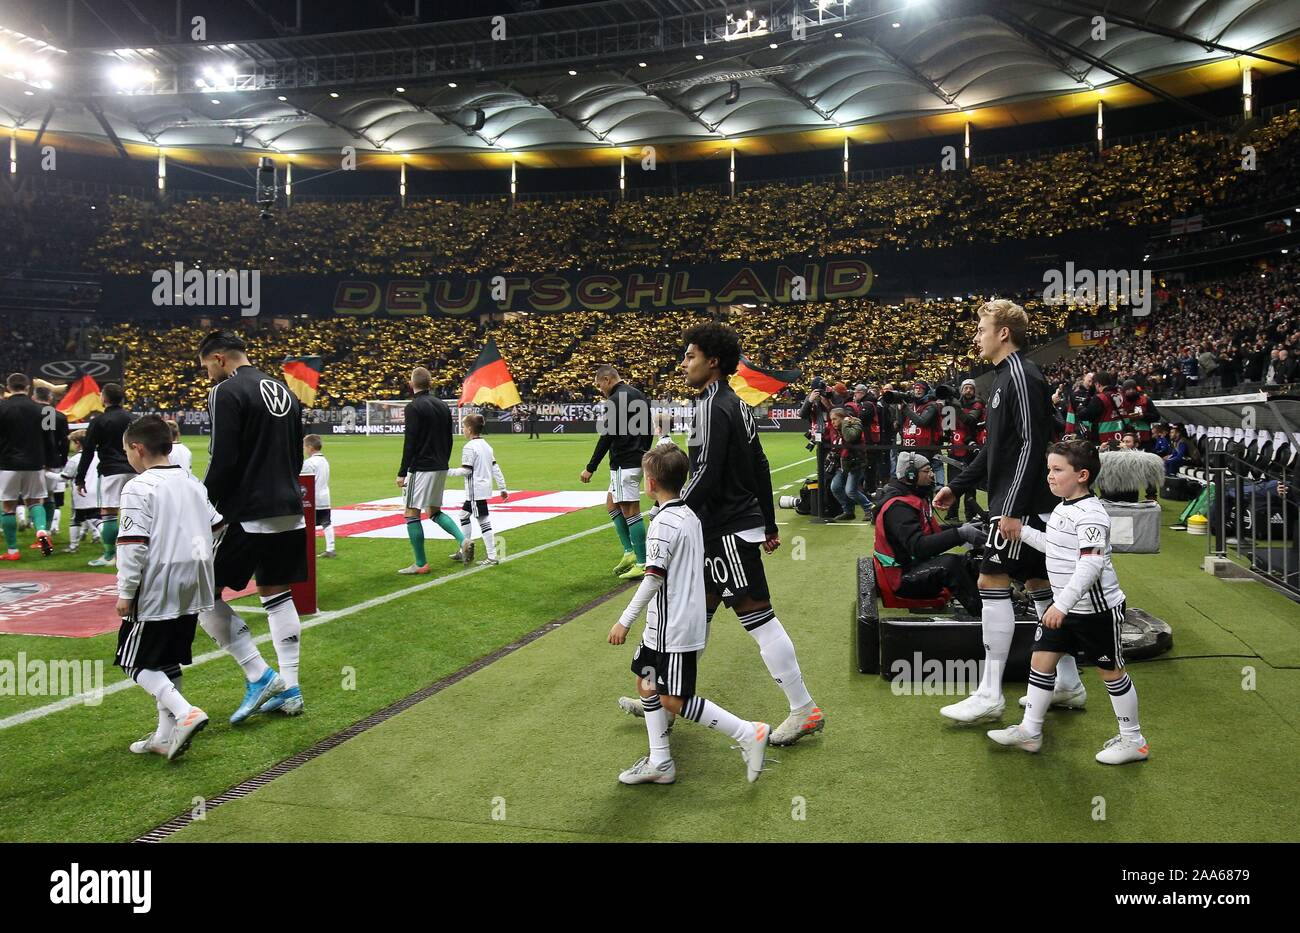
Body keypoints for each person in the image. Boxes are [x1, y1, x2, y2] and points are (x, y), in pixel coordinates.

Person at [934, 300, 1086, 723]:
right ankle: (1069, 683)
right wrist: (956, 486)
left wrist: (1011, 508)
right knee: (1039, 584)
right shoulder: (1007, 377)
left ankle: (989, 693)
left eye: (982, 328)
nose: (977, 336)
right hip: (1030, 504)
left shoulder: (1020, 373)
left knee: (990, 579)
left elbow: (1032, 446)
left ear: (1003, 332)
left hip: (1024, 507)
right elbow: (996, 449)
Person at [678, 322, 824, 746]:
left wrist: (675, 510)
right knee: (694, 617)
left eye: (691, 356)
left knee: (758, 619)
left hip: (724, 527)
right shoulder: (738, 405)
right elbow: (760, 466)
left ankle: (804, 708)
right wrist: (770, 523)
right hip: (727, 526)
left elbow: (706, 470)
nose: (684, 364)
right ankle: (668, 697)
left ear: (713, 361)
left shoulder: (710, 407)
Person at [608, 442, 770, 784]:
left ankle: (747, 733)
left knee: (674, 699)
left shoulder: (665, 523)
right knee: (647, 683)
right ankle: (661, 762)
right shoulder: (687, 514)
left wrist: (624, 620)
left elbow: (652, 578)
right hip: (666, 624)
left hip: (674, 627)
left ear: (650, 484)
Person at [987, 441, 1150, 764]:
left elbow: (1090, 565)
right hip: (1065, 607)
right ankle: (1030, 732)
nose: (1049, 476)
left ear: (1082, 475)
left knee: (1111, 672)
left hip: (1096, 613)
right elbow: (1056, 547)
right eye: (1049, 469)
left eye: (1057, 470)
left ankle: (1134, 741)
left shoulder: (1092, 515)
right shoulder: (1063, 507)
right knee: (1041, 661)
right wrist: (1021, 532)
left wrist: (1061, 606)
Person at [196, 331, 306, 723]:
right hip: (289, 506)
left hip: (248, 510)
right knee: (276, 592)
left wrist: (203, 504)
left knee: (201, 591)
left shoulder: (226, 392)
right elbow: (295, 455)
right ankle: (290, 688)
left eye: (207, 365)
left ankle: (259, 674)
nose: (207, 374)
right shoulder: (285, 391)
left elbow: (222, 458)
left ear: (220, 359)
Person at [114, 415, 221, 761]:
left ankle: (184, 711)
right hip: (196, 579)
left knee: (133, 660)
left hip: (158, 581)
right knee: (168, 658)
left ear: (138, 448)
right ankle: (163, 736)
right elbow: (218, 525)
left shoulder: (139, 486)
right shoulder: (191, 482)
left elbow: (133, 544)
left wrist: (126, 591)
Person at [873, 452, 984, 615]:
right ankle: (982, 614)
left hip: (910, 568)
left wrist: (964, 527)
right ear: (910, 475)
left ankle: (994, 601)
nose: (932, 474)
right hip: (900, 579)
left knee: (970, 561)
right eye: (926, 471)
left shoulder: (911, 497)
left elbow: (929, 532)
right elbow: (919, 546)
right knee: (951, 565)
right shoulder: (898, 507)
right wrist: (960, 534)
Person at [580, 365, 652, 581]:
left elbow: (607, 435)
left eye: (599, 384)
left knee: (631, 510)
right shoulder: (638, 394)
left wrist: (590, 467)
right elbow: (648, 427)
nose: (600, 389)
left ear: (608, 379)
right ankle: (630, 552)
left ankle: (642, 561)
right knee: (612, 503)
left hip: (624, 462)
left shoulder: (614, 400)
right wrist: (643, 452)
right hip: (636, 458)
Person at [396, 366, 464, 574]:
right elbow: (449, 437)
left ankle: (420, 563)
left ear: (411, 384)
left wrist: (402, 471)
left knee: (411, 513)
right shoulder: (443, 405)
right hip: (440, 465)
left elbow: (411, 441)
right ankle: (464, 540)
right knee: (434, 511)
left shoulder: (413, 407)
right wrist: (444, 461)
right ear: (430, 383)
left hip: (422, 467)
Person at [74, 382, 137, 568]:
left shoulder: (98, 421)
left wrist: (80, 478)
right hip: (135, 470)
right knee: (134, 513)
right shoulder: (133, 418)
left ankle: (110, 555)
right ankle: (134, 554)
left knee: (108, 513)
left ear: (104, 398)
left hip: (110, 471)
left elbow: (88, 451)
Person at [0, 372, 57, 559]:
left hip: (7, 463)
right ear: (28, 388)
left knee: (8, 507)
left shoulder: (2, 407)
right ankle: (41, 531)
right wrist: (49, 463)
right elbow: (50, 440)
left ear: (8, 387)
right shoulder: (45, 410)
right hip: (35, 462)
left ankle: (13, 550)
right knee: (34, 501)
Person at [448, 412, 508, 567]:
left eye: (463, 426)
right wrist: (502, 487)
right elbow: (495, 467)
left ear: (469, 429)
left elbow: (466, 470)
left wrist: (446, 471)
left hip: (475, 490)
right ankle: (464, 548)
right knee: (463, 515)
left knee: (483, 521)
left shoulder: (469, 447)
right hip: (482, 488)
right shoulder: (486, 445)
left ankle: (492, 556)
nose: (463, 429)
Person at [945, 379, 985, 522]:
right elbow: (947, 426)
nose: (968, 391)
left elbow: (970, 420)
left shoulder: (978, 403)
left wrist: (956, 407)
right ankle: (952, 512)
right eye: (965, 388)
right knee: (952, 482)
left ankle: (970, 513)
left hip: (970, 447)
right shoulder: (954, 404)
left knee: (969, 483)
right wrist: (947, 408)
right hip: (954, 446)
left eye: (970, 388)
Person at [32, 385, 68, 540]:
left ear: (34, 398)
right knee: (49, 496)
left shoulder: (31, 414)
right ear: (50, 398)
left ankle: (41, 530)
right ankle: (46, 531)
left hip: (34, 461)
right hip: (54, 461)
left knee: (34, 498)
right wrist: (63, 460)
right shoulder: (59, 416)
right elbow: (64, 442)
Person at [829, 408, 873, 521]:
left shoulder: (854, 423)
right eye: (831, 419)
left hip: (856, 463)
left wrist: (844, 423)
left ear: (843, 418)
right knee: (835, 487)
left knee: (851, 491)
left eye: (835, 419)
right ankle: (848, 511)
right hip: (843, 464)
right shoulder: (835, 429)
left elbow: (850, 437)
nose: (832, 422)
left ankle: (870, 510)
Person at [62, 430, 101, 553]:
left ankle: (73, 546)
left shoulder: (75, 459)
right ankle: (108, 538)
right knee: (97, 518)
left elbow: (64, 476)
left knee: (75, 519)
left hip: (81, 492)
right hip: (98, 491)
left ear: (77, 443)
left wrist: (46, 474)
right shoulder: (99, 456)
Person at [301, 434, 335, 558]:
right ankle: (331, 548)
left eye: (304, 447)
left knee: (306, 524)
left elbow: (306, 482)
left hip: (313, 498)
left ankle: (306, 549)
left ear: (310, 447)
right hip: (325, 496)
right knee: (326, 523)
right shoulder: (324, 461)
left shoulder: (309, 463)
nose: (304, 449)